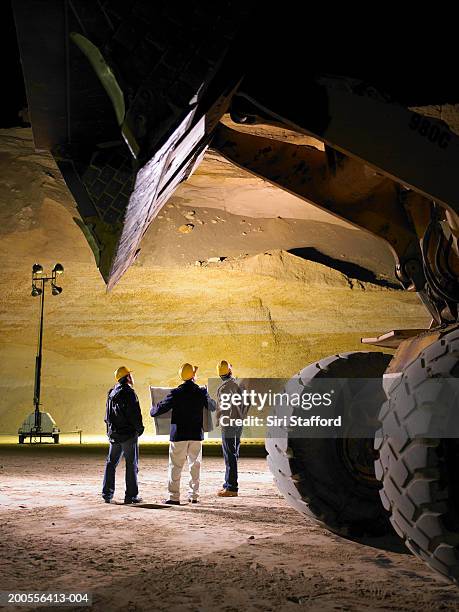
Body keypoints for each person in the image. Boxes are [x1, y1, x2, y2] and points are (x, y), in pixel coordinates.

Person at [151, 363, 215, 505]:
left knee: (175, 466)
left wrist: (153, 408)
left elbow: (157, 410)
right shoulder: (200, 392)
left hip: (178, 435)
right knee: (195, 466)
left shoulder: (176, 393)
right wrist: (206, 393)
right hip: (195, 435)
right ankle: (194, 496)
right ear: (193, 376)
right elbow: (212, 406)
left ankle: (174, 497)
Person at [102, 366, 144, 504]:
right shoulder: (129, 393)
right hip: (128, 435)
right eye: (130, 375)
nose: (132, 377)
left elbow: (107, 415)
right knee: (131, 465)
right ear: (127, 377)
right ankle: (131, 496)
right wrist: (139, 429)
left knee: (111, 463)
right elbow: (134, 414)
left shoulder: (111, 392)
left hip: (115, 435)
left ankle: (107, 494)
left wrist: (110, 432)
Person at [215, 360, 244, 497]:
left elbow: (222, 408)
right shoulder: (238, 384)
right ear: (230, 371)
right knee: (234, 453)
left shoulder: (224, 388)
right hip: (238, 422)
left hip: (228, 424)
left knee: (229, 455)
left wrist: (217, 420)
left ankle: (232, 487)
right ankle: (229, 483)